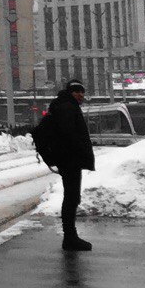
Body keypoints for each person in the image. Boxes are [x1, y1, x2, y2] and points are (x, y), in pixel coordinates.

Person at [34, 79, 96, 251]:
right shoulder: (67, 107)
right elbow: (69, 134)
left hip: (68, 159)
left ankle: (70, 237)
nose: (81, 95)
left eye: (83, 92)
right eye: (78, 91)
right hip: (70, 159)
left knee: (71, 197)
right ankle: (70, 238)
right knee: (71, 198)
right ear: (70, 92)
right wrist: (76, 153)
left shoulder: (63, 105)